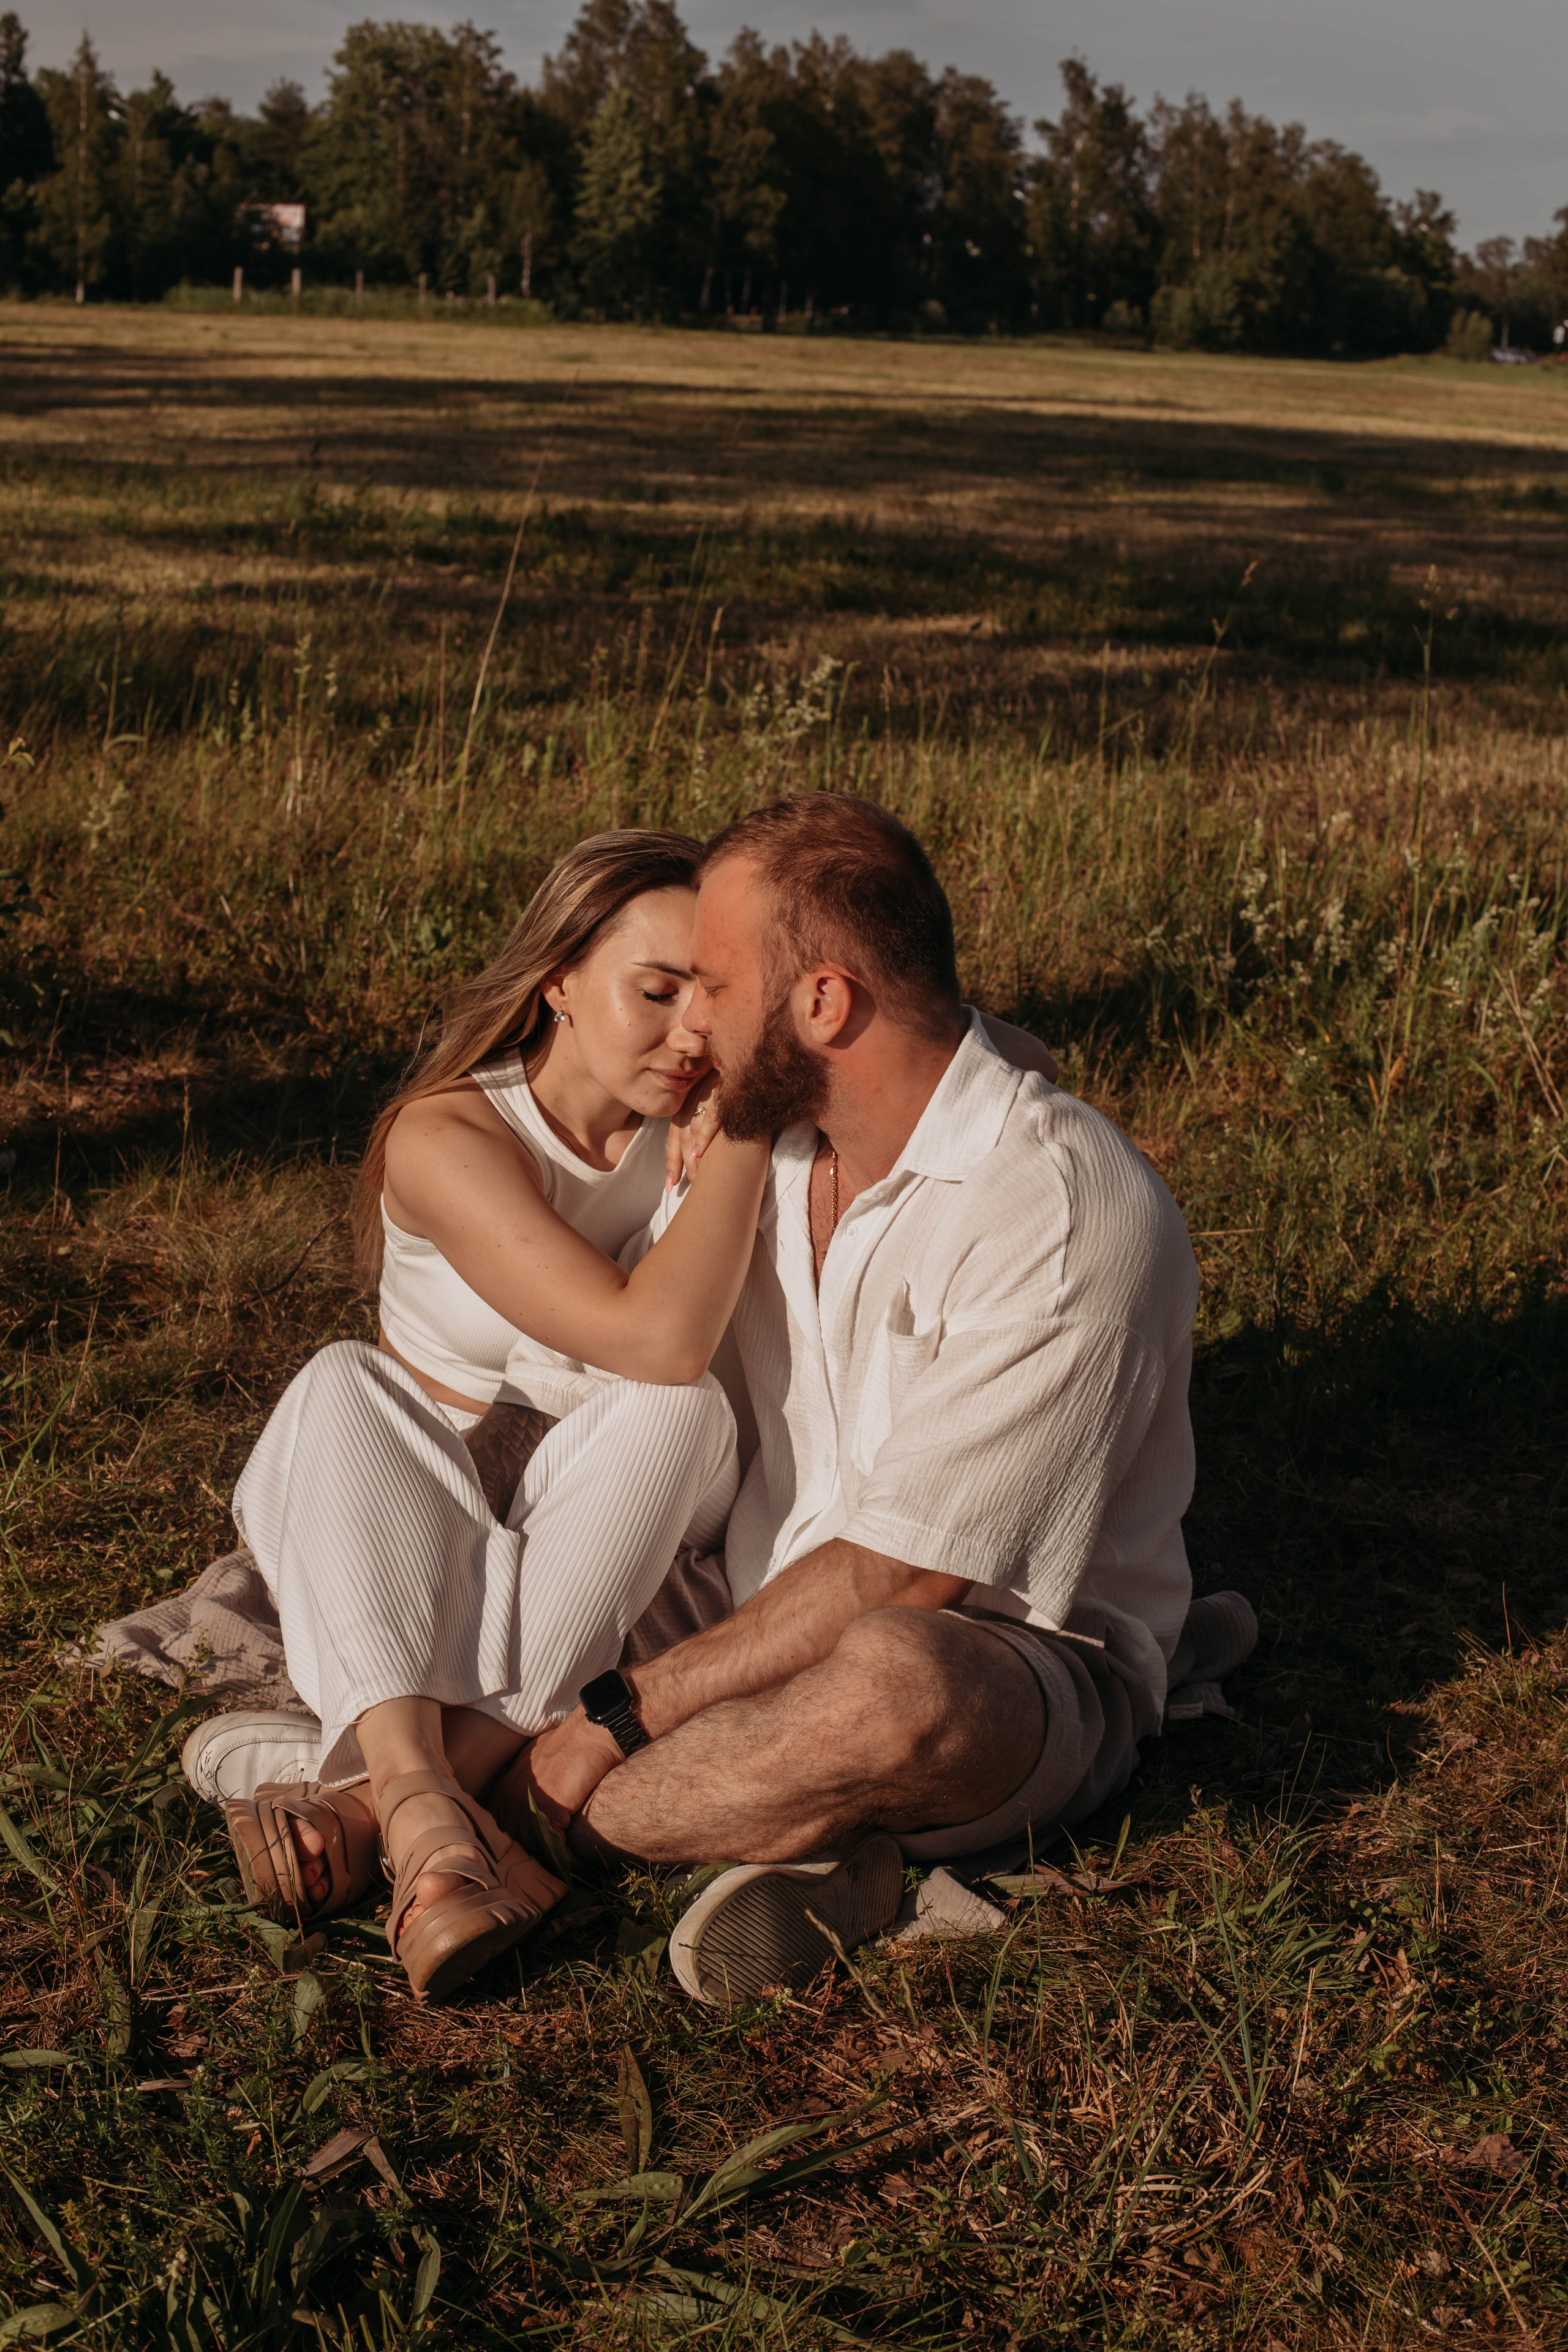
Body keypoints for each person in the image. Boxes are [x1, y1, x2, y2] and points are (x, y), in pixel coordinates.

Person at [491, 794, 1253, 2009]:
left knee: (900, 1687)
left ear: (823, 1004)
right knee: (494, 1540)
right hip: (742, 1604)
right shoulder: (778, 1141)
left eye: (715, 989)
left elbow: (904, 1579)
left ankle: (533, 1824)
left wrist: (616, 1721)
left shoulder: (1059, 1212)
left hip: (997, 1646)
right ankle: (819, 1843)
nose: (689, 1027)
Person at [190, 829, 771, 2002]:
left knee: (683, 1410)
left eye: (712, 998)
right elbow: (646, 1328)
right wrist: (748, 1137)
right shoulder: (450, 1133)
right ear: (558, 980)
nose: (690, 1034)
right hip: (421, 1490)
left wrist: (754, 1111)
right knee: (340, 1381)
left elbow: (666, 1359)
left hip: (624, 1502)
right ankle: (439, 1812)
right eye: (653, 992)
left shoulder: (709, 1119)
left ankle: (374, 1810)